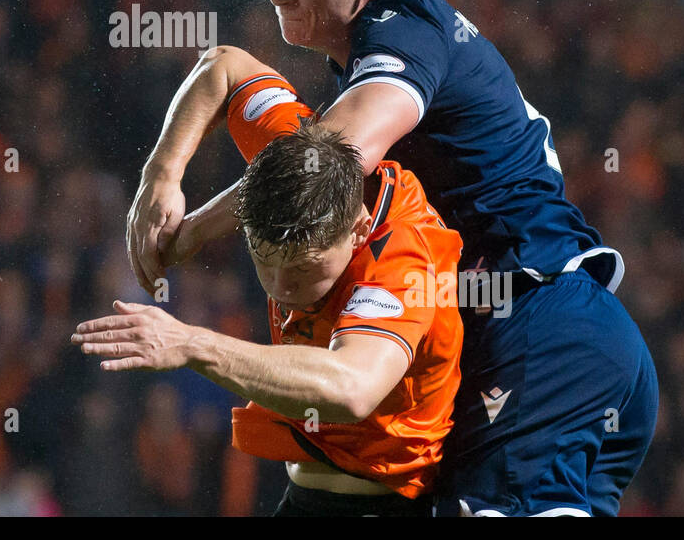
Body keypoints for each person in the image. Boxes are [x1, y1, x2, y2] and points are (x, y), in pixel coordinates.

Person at [126, 0, 658, 517]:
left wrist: (195, 237)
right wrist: (161, 179)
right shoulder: (385, 41)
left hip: (539, 325)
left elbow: (331, 163)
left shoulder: (402, 38)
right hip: (553, 333)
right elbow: (225, 67)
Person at [75, 47, 462, 516]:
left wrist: (193, 343)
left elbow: (352, 387)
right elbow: (222, 65)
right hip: (302, 494)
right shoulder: (299, 156)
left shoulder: (403, 259)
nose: (280, 287)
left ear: (357, 230)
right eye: (264, 260)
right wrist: (162, 175)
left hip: (384, 506)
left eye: (303, 269)